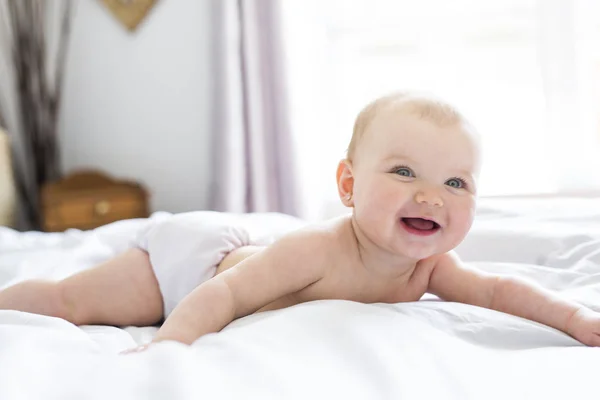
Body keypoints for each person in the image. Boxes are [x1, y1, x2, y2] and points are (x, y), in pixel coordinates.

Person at [1, 92, 599, 352]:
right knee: (70, 300)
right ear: (347, 186)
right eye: (403, 172)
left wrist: (574, 317)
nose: (431, 197)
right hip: (195, 268)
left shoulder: (431, 266)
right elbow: (228, 291)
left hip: (235, 264)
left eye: (455, 183)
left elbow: (498, 291)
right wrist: (168, 347)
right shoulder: (318, 248)